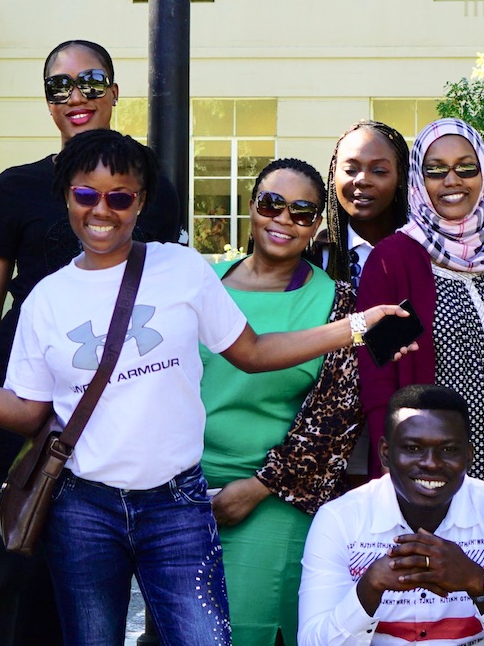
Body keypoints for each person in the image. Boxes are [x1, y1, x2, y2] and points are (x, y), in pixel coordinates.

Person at [0, 129, 410, 646]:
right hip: (84, 509)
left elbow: (254, 353)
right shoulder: (47, 299)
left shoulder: (182, 269)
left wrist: (356, 326)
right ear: (67, 197)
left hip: (177, 504)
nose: (101, 210)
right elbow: (26, 412)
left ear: (141, 201)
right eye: (86, 194)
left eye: (119, 198)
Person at [0, 38, 185, 646]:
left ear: (115, 94)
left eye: (91, 82)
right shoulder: (15, 188)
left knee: (88, 588)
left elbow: (170, 301)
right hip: (12, 411)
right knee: (6, 577)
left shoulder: (152, 187)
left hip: (108, 416)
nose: (76, 97)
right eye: (59, 87)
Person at [355, 117, 484, 565]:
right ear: (419, 179)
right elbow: (377, 373)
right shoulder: (396, 260)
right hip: (436, 460)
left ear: (483, 175)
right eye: (436, 170)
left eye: (466, 168)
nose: (453, 181)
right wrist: (390, 467)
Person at [198, 158, 362, 646]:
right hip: (180, 493)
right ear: (251, 207)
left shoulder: (338, 303)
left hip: (272, 496)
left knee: (249, 631)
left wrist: (257, 487)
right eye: (272, 204)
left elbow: (334, 420)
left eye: (302, 211)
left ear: (317, 225)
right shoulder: (202, 284)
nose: (283, 219)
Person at [298, 385, 484, 646]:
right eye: (413, 448)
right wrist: (368, 588)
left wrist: (478, 583)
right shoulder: (339, 519)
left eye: (448, 450)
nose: (431, 463)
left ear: (468, 456)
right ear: (386, 453)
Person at [314, 121, 409, 283]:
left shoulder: (425, 253)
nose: (362, 180)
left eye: (378, 171)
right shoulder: (315, 259)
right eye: (350, 170)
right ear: (333, 173)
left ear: (400, 175)